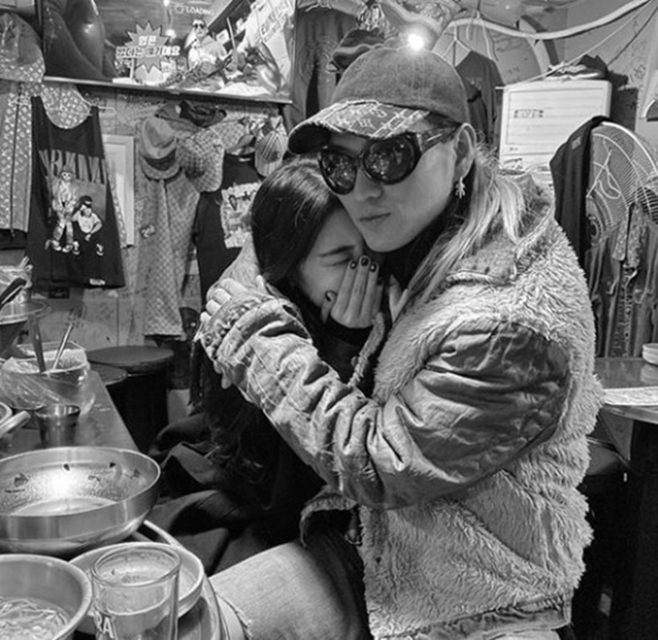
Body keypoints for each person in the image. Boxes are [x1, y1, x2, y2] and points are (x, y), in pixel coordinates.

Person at [197, 42, 603, 640]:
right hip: (375, 549)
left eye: (390, 155)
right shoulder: (424, 225)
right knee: (186, 619)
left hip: (485, 591)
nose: (362, 190)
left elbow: (379, 464)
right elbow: (261, 251)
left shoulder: (507, 320)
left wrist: (253, 335)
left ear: (459, 152)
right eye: (340, 164)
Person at [149, 156, 382, 574]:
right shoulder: (255, 325)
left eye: (368, 254)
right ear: (290, 269)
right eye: (340, 259)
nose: (364, 275)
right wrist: (341, 346)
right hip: (260, 505)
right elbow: (289, 491)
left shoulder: (383, 312)